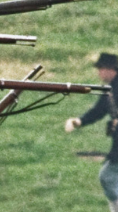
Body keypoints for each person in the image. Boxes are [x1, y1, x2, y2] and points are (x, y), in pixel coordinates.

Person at [65, 53, 118, 212]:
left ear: (110, 69)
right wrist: (79, 121)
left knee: (107, 176)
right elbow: (99, 110)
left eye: (100, 69)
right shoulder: (111, 89)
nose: (99, 73)